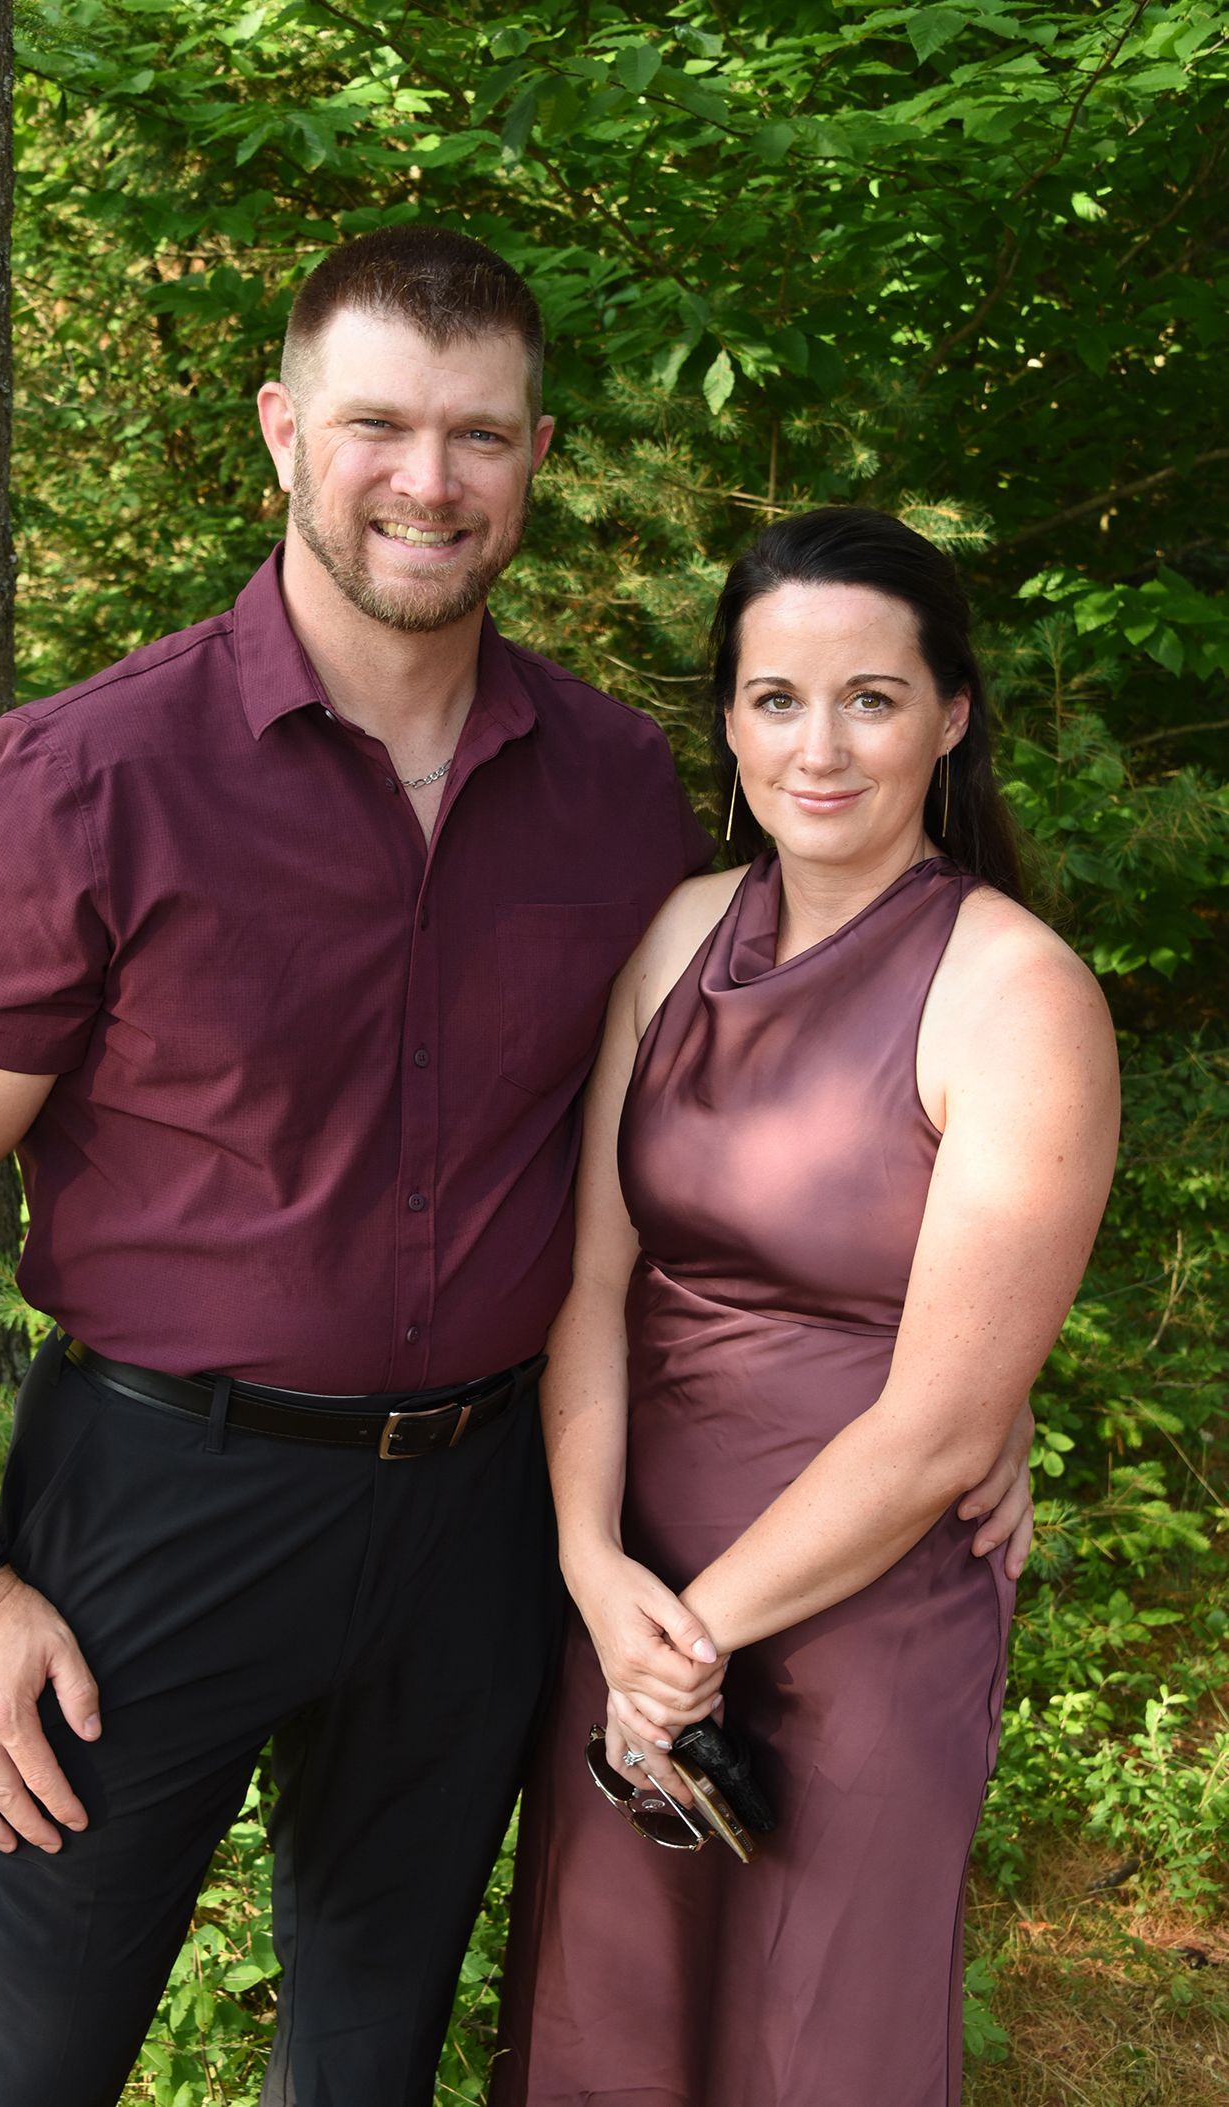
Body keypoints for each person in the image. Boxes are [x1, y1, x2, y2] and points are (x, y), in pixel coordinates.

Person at [0, 225, 1032, 2107]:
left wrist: (968, 1384)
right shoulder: (92, 777)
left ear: (536, 458)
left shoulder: (620, 788)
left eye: (479, 435)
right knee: (19, 2070)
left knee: (373, 2058)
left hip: (479, 1523)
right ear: (283, 431)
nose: (428, 479)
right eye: (379, 422)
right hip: (159, 1504)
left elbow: (735, 1120)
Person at [492, 507, 1119, 2107]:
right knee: (603, 2020)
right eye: (777, 698)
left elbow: (942, 1426)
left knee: (814, 2037)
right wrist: (592, 1568)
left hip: (863, 1614)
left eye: (872, 698)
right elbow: (592, 1279)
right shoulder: (679, 936)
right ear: (727, 715)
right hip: (633, 1587)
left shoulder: (1016, 994)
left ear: (952, 716)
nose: (819, 747)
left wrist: (689, 1648)